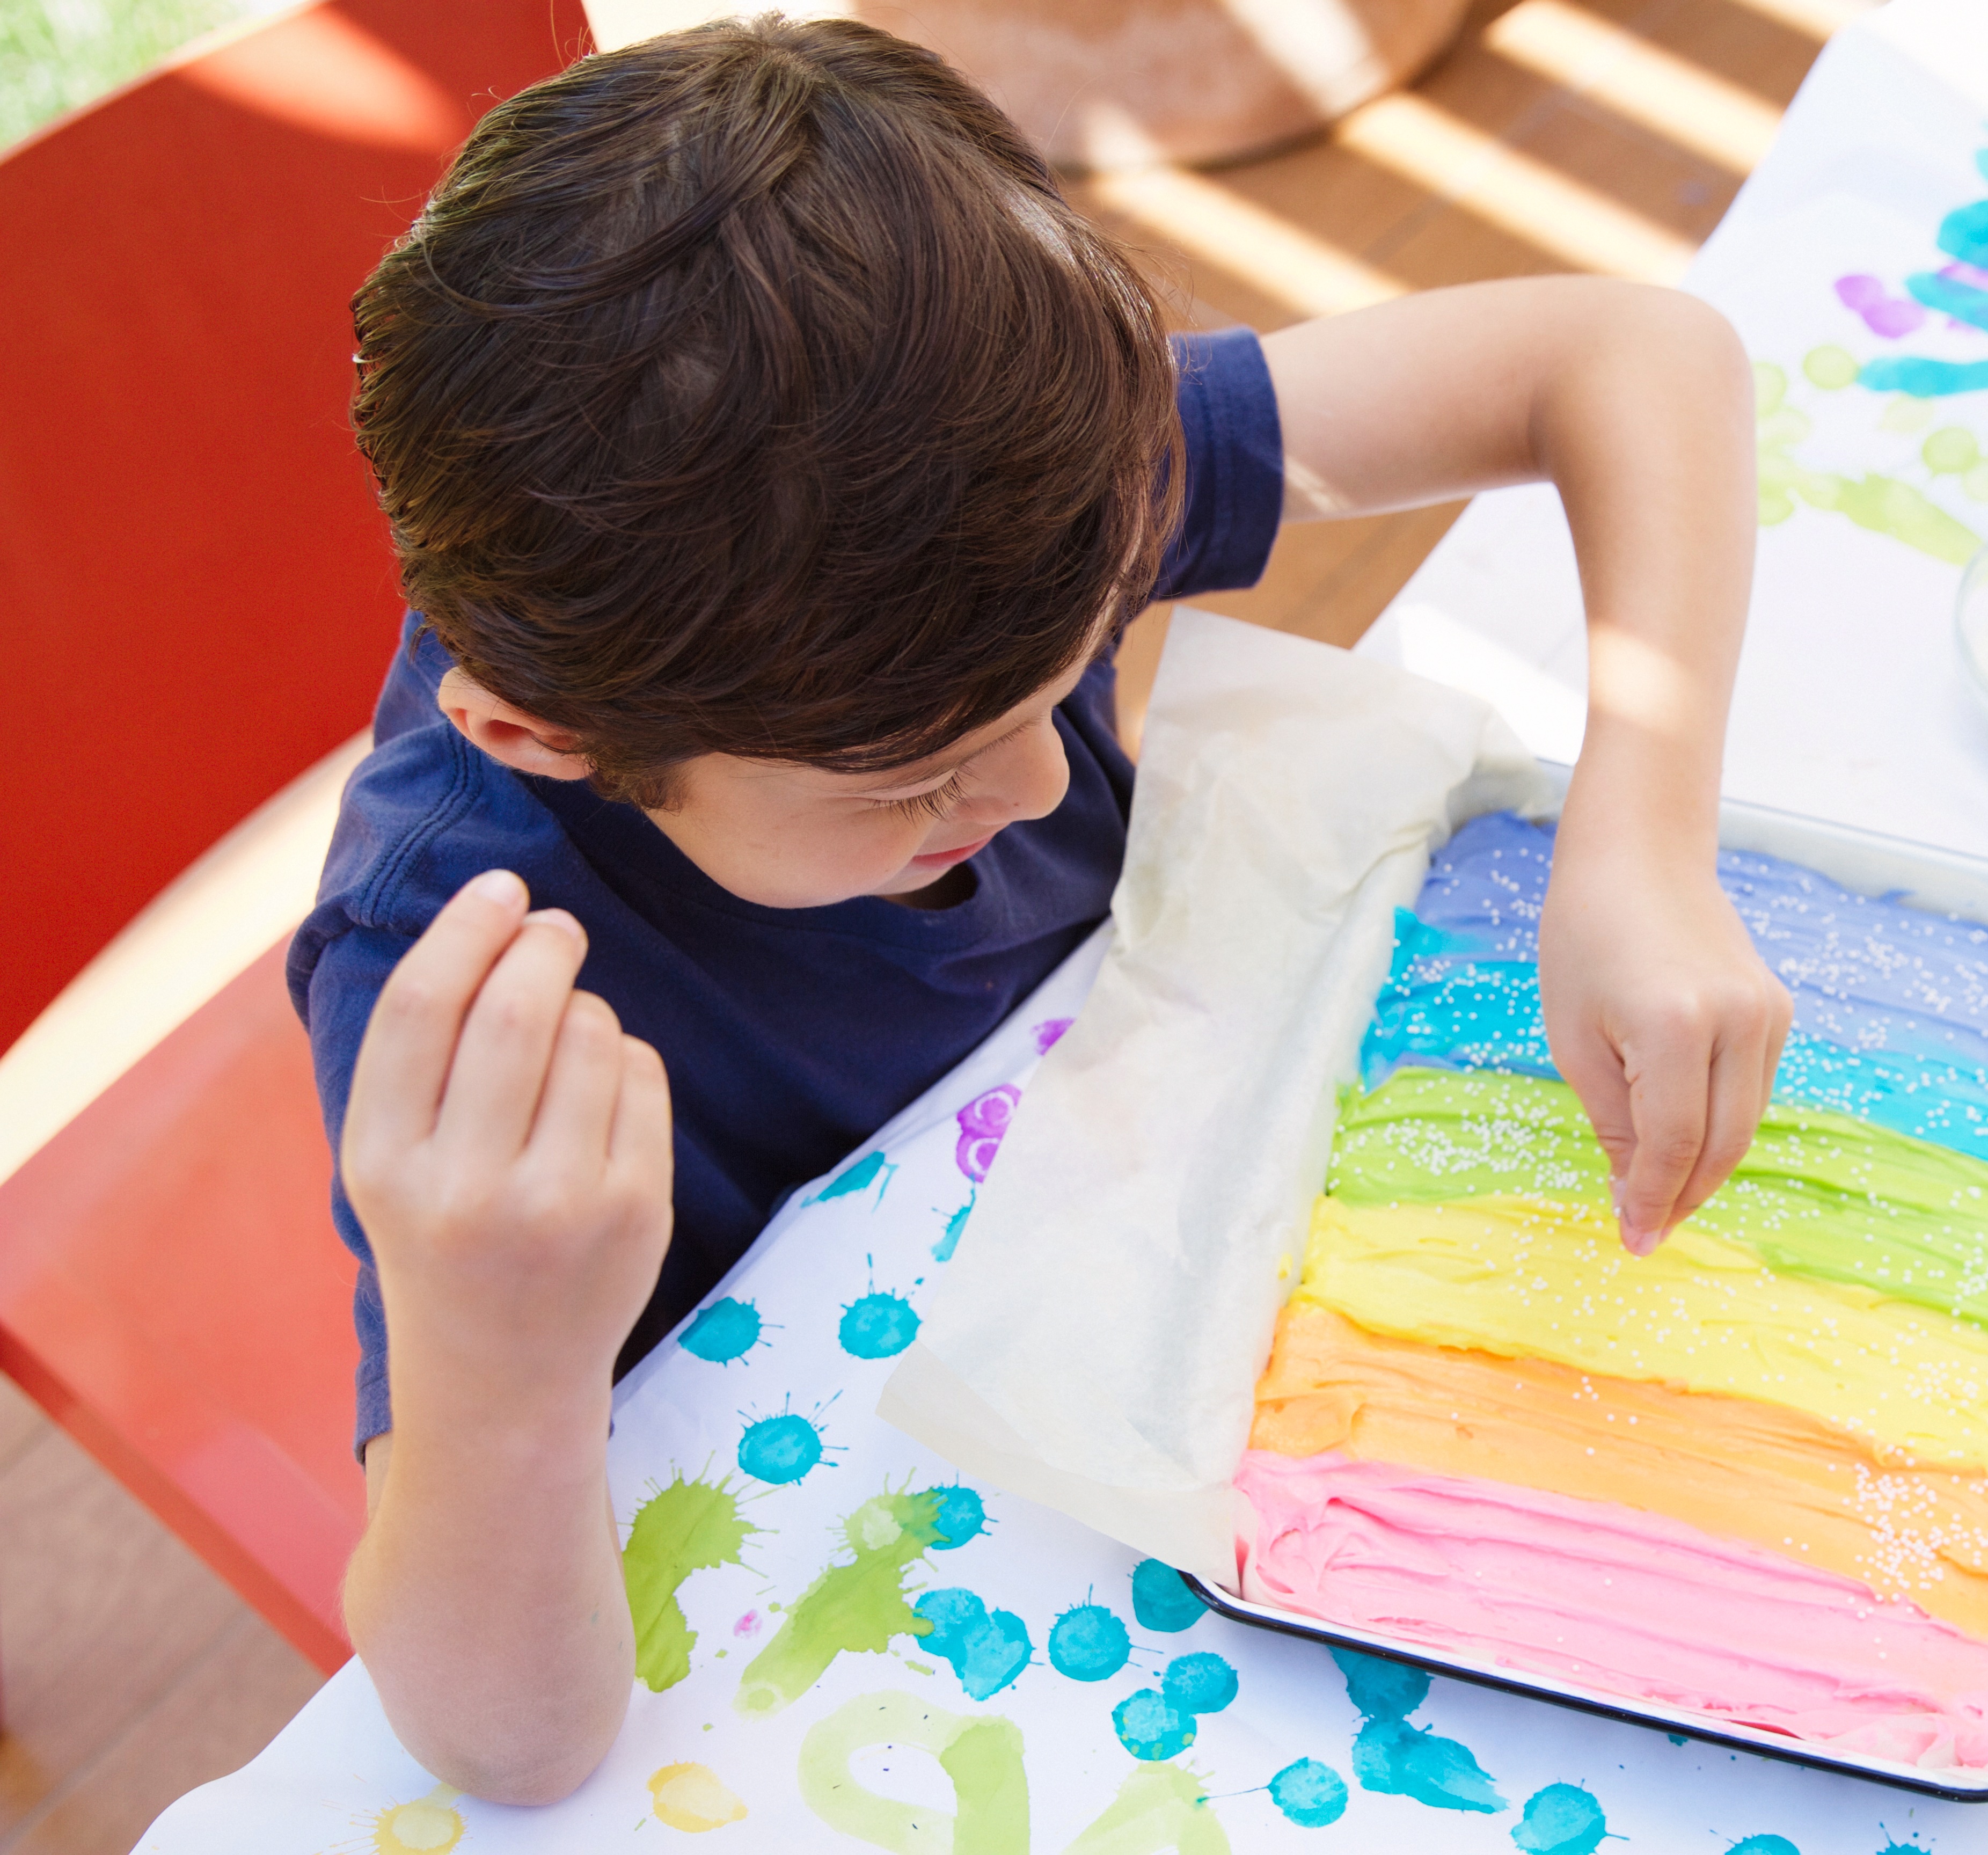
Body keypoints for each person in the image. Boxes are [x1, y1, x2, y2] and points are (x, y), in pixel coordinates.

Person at [295, 13, 1788, 1802]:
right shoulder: (453, 973)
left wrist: (1638, 827)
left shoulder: (977, 504)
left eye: (1062, 683)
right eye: (910, 785)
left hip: (1134, 1206)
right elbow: (512, 1745)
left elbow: (1632, 353)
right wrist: (504, 1367)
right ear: (544, 743)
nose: (1040, 794)